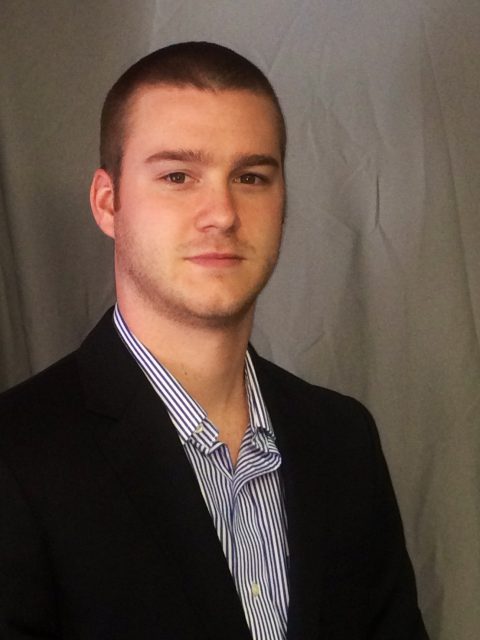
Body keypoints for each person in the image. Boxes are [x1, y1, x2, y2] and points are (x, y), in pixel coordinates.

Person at [0, 42, 428, 640]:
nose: (222, 213)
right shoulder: (16, 454)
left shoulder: (343, 439)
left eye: (250, 177)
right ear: (107, 202)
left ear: (283, 202)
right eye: (178, 176)